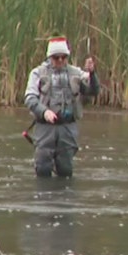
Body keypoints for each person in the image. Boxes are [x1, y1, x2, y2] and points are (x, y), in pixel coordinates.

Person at [24, 36, 99, 178]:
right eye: (56, 57)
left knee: (65, 169)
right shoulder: (37, 73)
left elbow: (93, 91)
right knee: (43, 168)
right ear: (49, 57)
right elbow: (30, 98)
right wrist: (44, 112)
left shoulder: (77, 73)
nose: (60, 60)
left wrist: (92, 74)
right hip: (45, 128)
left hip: (67, 128)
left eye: (63, 57)